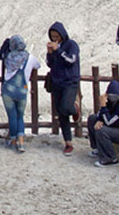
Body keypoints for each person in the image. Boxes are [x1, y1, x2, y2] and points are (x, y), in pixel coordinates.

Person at [0, 35, 40, 153]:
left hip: (7, 91)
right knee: (20, 117)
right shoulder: (30, 58)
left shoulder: (8, 57)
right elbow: (38, 65)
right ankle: (21, 142)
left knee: (12, 116)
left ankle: (13, 141)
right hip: (22, 91)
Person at [45, 21, 80, 155]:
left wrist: (58, 50)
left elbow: (71, 60)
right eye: (52, 36)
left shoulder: (71, 45)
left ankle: (75, 108)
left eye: (57, 36)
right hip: (56, 82)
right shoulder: (54, 47)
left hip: (69, 81)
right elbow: (50, 64)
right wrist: (50, 53)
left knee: (66, 107)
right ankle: (68, 142)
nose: (55, 39)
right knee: (61, 113)